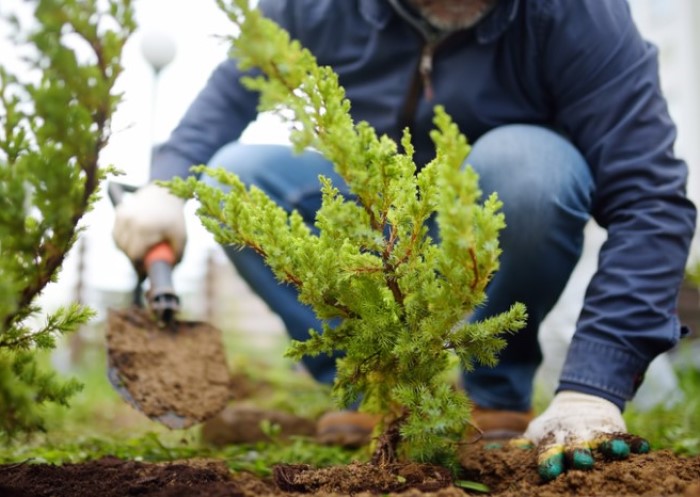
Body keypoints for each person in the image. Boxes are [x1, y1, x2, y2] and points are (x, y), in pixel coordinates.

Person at [113, 0, 697, 480]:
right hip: (378, 216)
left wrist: (593, 388)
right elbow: (230, 92)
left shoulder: (578, 15)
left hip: (494, 216)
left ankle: (496, 386)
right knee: (230, 178)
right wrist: (167, 183)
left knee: (529, 168)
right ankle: (373, 384)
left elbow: (650, 198)